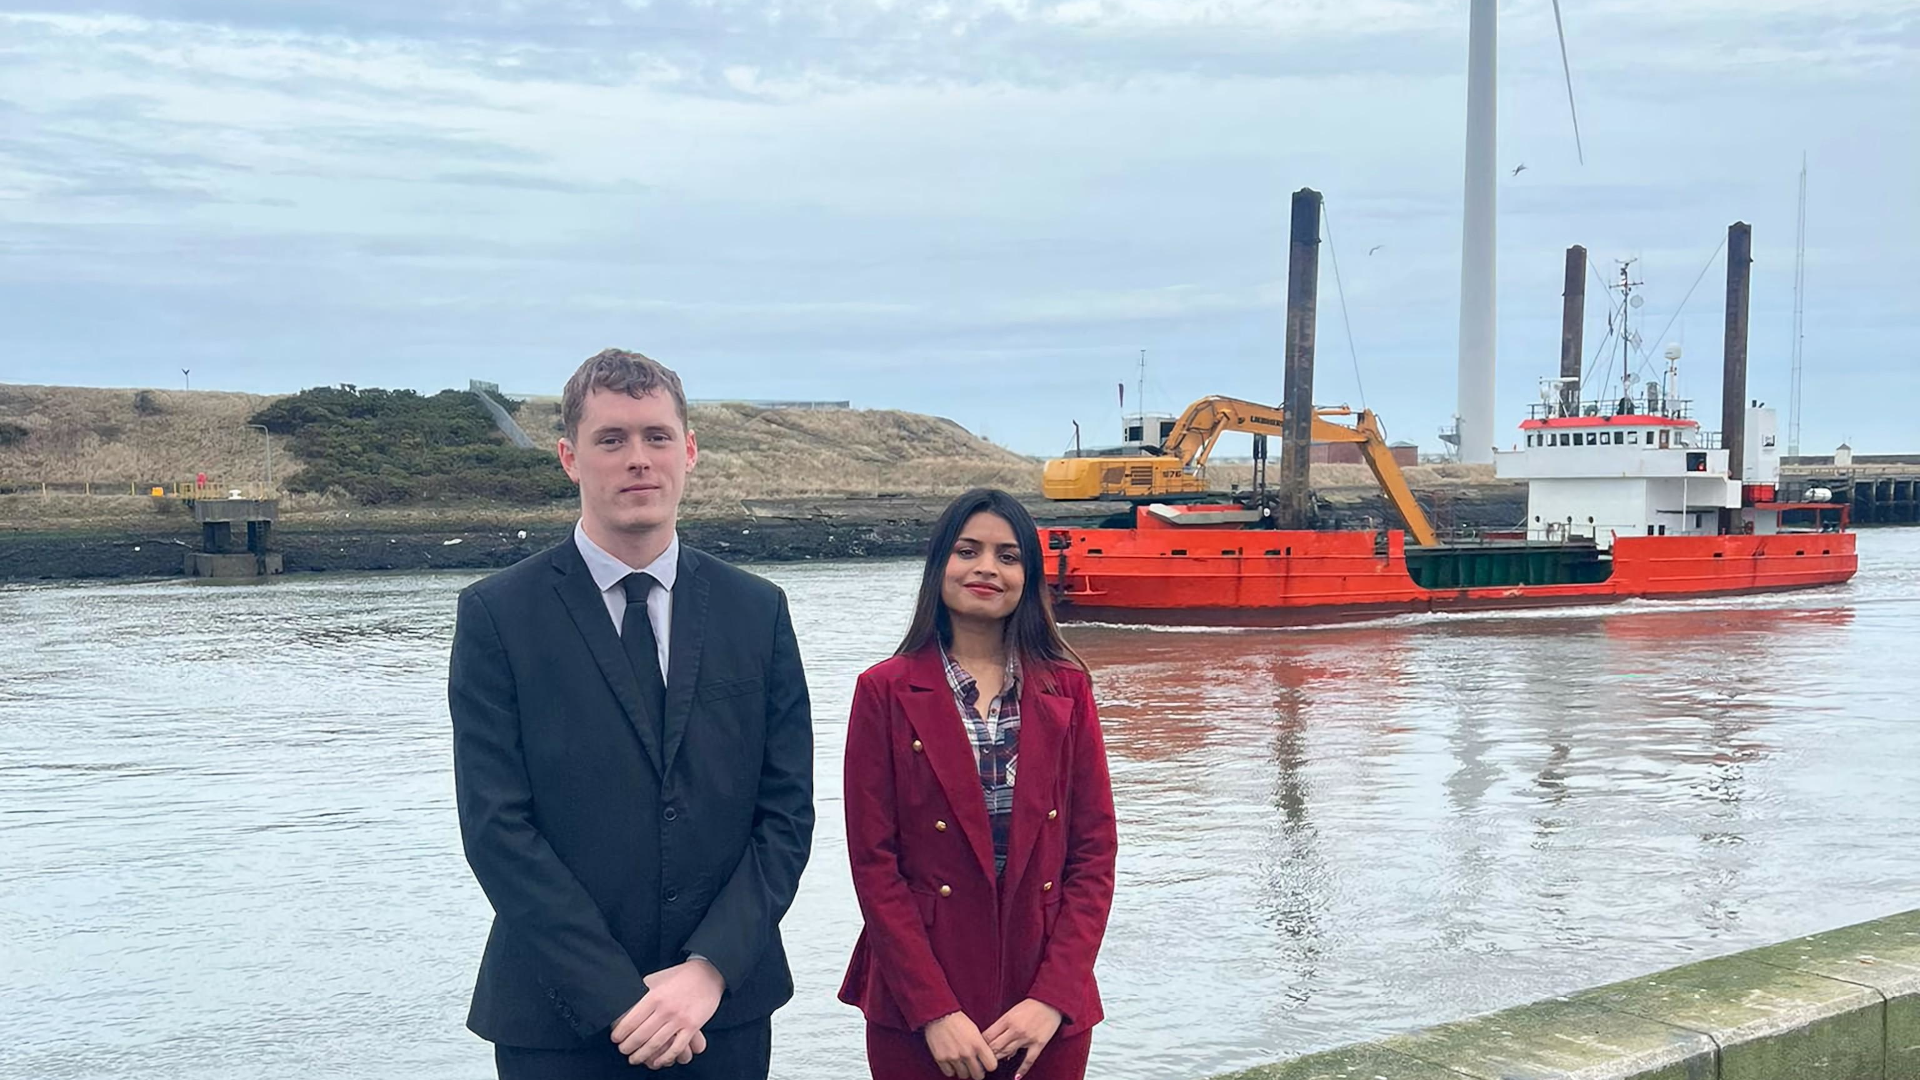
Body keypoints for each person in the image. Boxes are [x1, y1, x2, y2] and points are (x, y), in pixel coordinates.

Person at [448, 349, 814, 1079]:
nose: (637, 459)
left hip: (722, 1016)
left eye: (655, 437)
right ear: (568, 458)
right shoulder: (497, 615)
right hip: (554, 1020)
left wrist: (707, 971)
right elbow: (497, 829)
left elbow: (785, 815)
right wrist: (619, 999)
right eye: (610, 440)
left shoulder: (758, 611)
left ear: (689, 450)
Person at [839, 488, 1118, 1080]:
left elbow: (1093, 856)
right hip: (919, 1003)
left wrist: (1052, 998)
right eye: (968, 551)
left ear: (1029, 576)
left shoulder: (1067, 689)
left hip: (1043, 1000)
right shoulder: (883, 691)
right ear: (940, 565)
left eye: (1008, 556)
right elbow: (874, 865)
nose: (987, 568)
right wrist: (933, 1010)